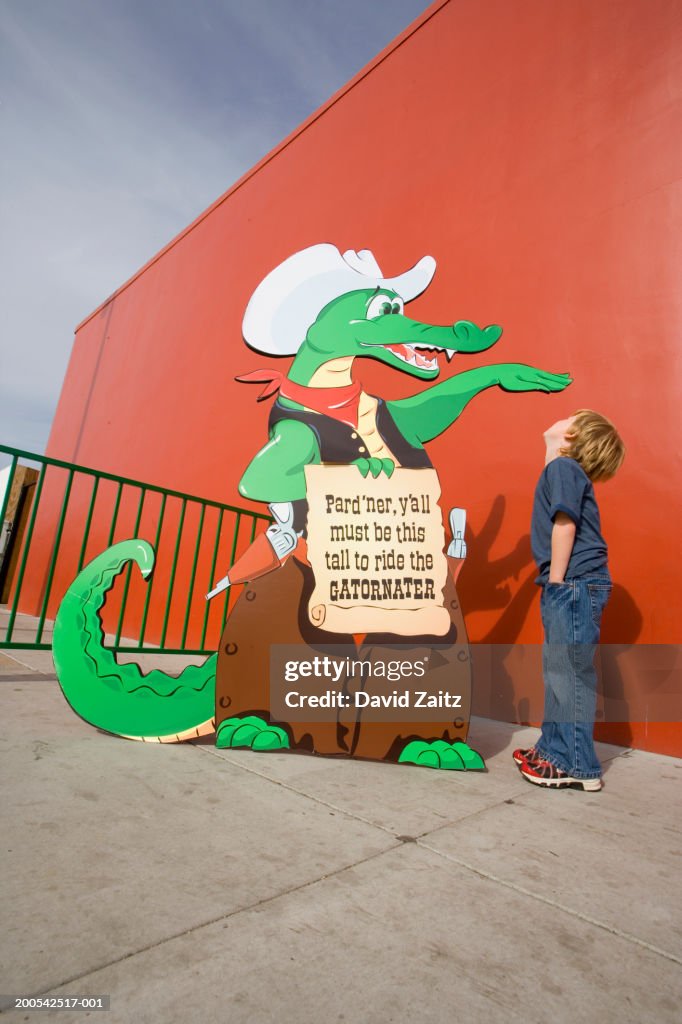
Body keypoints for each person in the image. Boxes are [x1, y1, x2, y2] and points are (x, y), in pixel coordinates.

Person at [514, 410, 625, 790]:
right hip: (576, 582)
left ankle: (576, 766)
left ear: (574, 435)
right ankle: (552, 748)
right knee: (559, 671)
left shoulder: (563, 467)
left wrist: (557, 582)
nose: (559, 417)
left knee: (568, 674)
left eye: (568, 416)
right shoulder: (561, 470)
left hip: (573, 582)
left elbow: (565, 523)